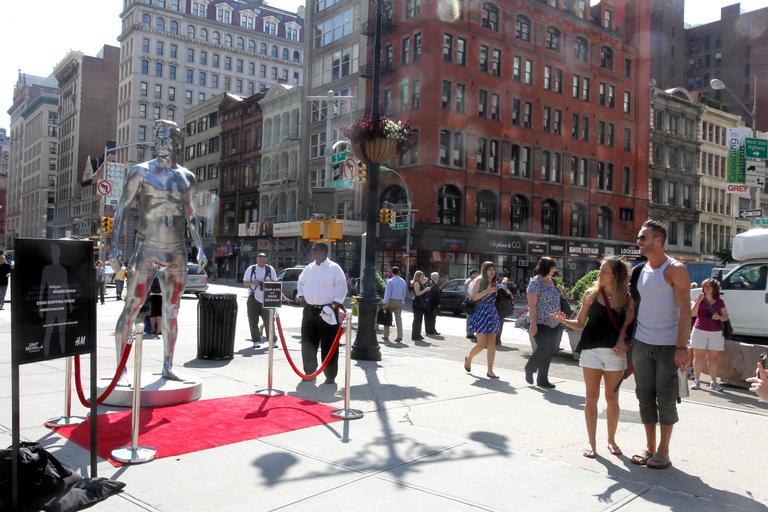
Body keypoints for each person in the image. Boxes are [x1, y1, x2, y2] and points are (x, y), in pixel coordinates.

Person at [110, 119, 207, 383]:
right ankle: (121, 369)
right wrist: (113, 247)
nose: (160, 143)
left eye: (166, 138)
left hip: (176, 251)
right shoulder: (140, 171)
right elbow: (121, 208)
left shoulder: (187, 177)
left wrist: (200, 247)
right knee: (132, 306)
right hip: (147, 248)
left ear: (177, 142)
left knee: (172, 310)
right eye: (158, 137)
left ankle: (168, 365)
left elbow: (192, 215)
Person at [619, 220, 691, 470]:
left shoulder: (676, 270)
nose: (638, 242)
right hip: (642, 343)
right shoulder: (639, 270)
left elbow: (685, 312)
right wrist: (625, 340)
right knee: (644, 396)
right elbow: (634, 308)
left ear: (658, 241)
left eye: (643, 238)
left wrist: (682, 347)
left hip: (668, 346)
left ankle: (664, 451)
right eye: (639, 238)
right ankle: (649, 447)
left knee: (666, 398)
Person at [552, 257, 632, 459]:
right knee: (591, 398)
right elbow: (579, 323)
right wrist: (564, 321)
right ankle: (591, 442)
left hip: (615, 354)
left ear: (615, 275)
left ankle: (611, 440)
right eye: (600, 270)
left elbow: (629, 327)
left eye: (604, 271)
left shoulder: (627, 298)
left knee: (612, 399)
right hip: (591, 351)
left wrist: (624, 341)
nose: (600, 274)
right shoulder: (591, 294)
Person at [296, 243, 347, 385]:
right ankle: (309, 372)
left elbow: (342, 288)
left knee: (329, 344)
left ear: (324, 252)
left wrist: (334, 305)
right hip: (310, 310)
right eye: (312, 250)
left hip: (328, 310)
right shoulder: (309, 268)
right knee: (308, 342)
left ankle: (330, 375)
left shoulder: (334, 268)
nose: (312, 253)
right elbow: (300, 282)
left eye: (315, 250)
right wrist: (301, 296)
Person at [525, 257, 565, 389]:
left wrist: (560, 292)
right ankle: (530, 367)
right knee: (544, 348)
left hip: (554, 322)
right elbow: (532, 306)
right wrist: (533, 324)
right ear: (547, 267)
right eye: (553, 266)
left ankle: (542, 379)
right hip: (541, 321)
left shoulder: (552, 281)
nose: (555, 269)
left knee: (549, 350)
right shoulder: (535, 282)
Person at [690, 278, 729, 391]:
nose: (706, 288)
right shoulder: (699, 298)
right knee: (698, 357)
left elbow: (726, 317)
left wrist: (719, 317)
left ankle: (713, 382)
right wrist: (698, 301)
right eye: (704, 286)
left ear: (714, 288)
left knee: (713, 358)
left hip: (715, 332)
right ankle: (697, 381)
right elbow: (692, 313)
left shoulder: (719, 301)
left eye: (708, 286)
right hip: (699, 330)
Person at [463, 261, 501, 379]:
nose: (492, 271)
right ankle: (468, 358)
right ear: (484, 270)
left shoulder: (495, 282)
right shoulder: (479, 280)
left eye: (493, 269)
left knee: (492, 344)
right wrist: (487, 291)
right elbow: (474, 297)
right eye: (490, 269)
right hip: (481, 312)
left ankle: (490, 371)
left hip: (492, 312)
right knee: (481, 344)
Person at [244, 253, 277, 348]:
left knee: (269, 321)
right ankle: (256, 340)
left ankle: (272, 340)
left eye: (263, 260)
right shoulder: (251, 269)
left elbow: (275, 283)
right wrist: (253, 282)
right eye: (259, 260)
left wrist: (265, 283)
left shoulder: (270, 269)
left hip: (267, 299)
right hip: (253, 298)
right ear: (256, 260)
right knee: (253, 321)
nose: (261, 261)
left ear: (266, 260)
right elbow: (245, 283)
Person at [382, 266, 407, 342]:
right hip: (399, 301)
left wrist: (385, 302)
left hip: (391, 301)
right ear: (398, 272)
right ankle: (400, 335)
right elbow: (404, 292)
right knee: (398, 319)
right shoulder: (403, 281)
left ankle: (386, 335)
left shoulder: (390, 281)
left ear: (392, 272)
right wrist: (402, 300)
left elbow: (387, 293)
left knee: (387, 318)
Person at [410, 270, 431, 342]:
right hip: (417, 303)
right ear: (418, 276)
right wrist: (425, 290)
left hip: (420, 303)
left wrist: (423, 277)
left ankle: (418, 334)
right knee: (417, 320)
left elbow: (427, 279)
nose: (423, 277)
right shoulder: (416, 282)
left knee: (419, 319)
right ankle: (415, 335)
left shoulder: (419, 282)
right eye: (422, 275)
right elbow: (418, 293)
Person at [495, 275, 514, 345]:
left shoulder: (494, 287)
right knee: (500, 325)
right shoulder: (505, 288)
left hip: (495, 308)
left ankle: (494, 339)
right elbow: (511, 297)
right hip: (502, 309)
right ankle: (497, 340)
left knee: (494, 325)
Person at [425, 271, 442, 336]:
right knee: (430, 318)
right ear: (435, 277)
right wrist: (438, 303)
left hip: (431, 304)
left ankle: (432, 330)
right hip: (431, 304)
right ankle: (430, 331)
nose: (439, 277)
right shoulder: (432, 284)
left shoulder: (432, 283)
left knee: (432, 318)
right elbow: (435, 295)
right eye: (438, 276)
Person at [464, 269, 479, 340]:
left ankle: (470, 332)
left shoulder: (470, 280)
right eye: (476, 274)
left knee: (471, 317)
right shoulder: (470, 281)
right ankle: (469, 333)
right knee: (470, 317)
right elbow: (469, 292)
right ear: (472, 274)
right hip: (471, 301)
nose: (477, 275)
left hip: (471, 300)